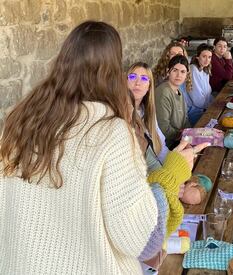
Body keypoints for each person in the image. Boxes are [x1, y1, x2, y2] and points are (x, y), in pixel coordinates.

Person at [0, 21, 159, 274]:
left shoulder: (20, 121)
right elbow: (137, 240)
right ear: (113, 70)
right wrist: (164, 181)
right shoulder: (112, 132)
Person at [126, 62, 209, 268]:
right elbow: (141, 163)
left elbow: (158, 146)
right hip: (135, 192)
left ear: (149, 87)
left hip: (152, 176)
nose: (138, 82)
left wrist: (177, 171)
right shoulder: (123, 116)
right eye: (132, 77)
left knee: (193, 193)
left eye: (144, 79)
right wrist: (173, 173)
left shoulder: (145, 110)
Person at [155, 55, 191, 149]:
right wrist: (184, 139)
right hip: (167, 145)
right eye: (175, 70)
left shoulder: (179, 91)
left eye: (182, 72)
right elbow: (163, 127)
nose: (179, 75)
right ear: (168, 72)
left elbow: (185, 119)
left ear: (186, 74)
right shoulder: (163, 92)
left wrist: (190, 135)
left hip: (179, 140)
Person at [184, 43, 214, 126]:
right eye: (204, 56)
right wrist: (212, 107)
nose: (207, 60)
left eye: (209, 57)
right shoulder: (193, 69)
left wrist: (215, 102)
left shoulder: (205, 70)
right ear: (197, 57)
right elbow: (198, 100)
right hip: (193, 111)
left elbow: (208, 94)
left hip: (204, 108)